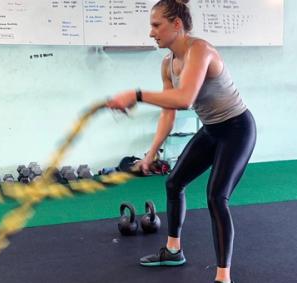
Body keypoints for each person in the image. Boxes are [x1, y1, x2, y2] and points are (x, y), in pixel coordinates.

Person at [106, 0, 256, 282]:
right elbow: (169, 112)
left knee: (216, 197)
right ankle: (173, 250)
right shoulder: (167, 64)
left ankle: (223, 277)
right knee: (174, 182)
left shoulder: (200, 50)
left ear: (177, 24)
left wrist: (137, 95)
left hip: (237, 128)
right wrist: (150, 155)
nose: (151, 33)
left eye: (156, 25)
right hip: (212, 129)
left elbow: (185, 98)